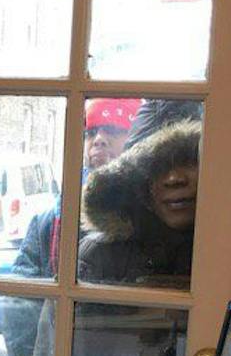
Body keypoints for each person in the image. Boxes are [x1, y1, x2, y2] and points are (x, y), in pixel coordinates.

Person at [4, 98, 140, 356]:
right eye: (92, 131)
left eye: (113, 130)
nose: (99, 140)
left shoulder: (149, 222)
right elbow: (21, 300)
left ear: (137, 136)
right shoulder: (53, 219)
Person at [77, 118, 201, 286]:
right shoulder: (100, 254)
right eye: (157, 167)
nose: (174, 179)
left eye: (189, 162)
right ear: (140, 187)